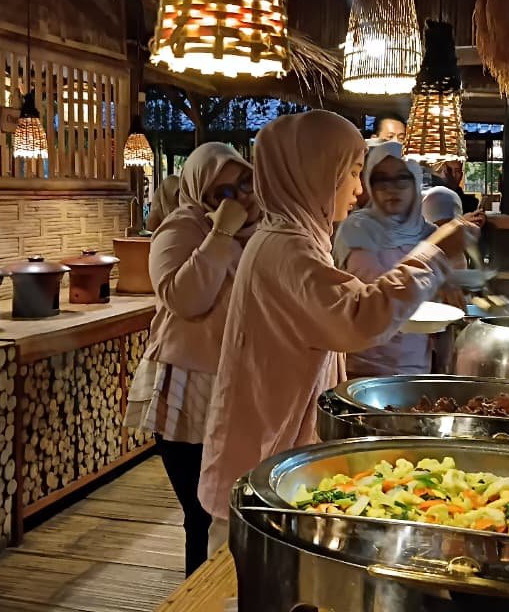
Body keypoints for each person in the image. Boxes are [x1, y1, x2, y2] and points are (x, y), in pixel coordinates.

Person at [197, 111, 471, 553]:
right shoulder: (287, 248)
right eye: (352, 172)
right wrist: (433, 256)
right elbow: (358, 318)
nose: (359, 189)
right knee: (236, 577)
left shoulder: (293, 238)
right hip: (259, 459)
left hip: (267, 448)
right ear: (314, 174)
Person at [125, 143, 258, 575]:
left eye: (245, 183)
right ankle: (196, 596)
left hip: (241, 383)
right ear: (201, 193)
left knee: (238, 511)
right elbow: (185, 299)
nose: (242, 198)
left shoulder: (262, 233)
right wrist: (220, 234)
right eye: (225, 192)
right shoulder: (182, 227)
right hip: (188, 384)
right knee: (201, 512)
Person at [332, 141, 437, 377]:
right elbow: (371, 288)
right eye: (381, 179)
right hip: (359, 363)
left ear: (416, 181)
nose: (391, 189)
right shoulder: (356, 229)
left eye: (402, 178)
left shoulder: (431, 235)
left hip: (415, 364)